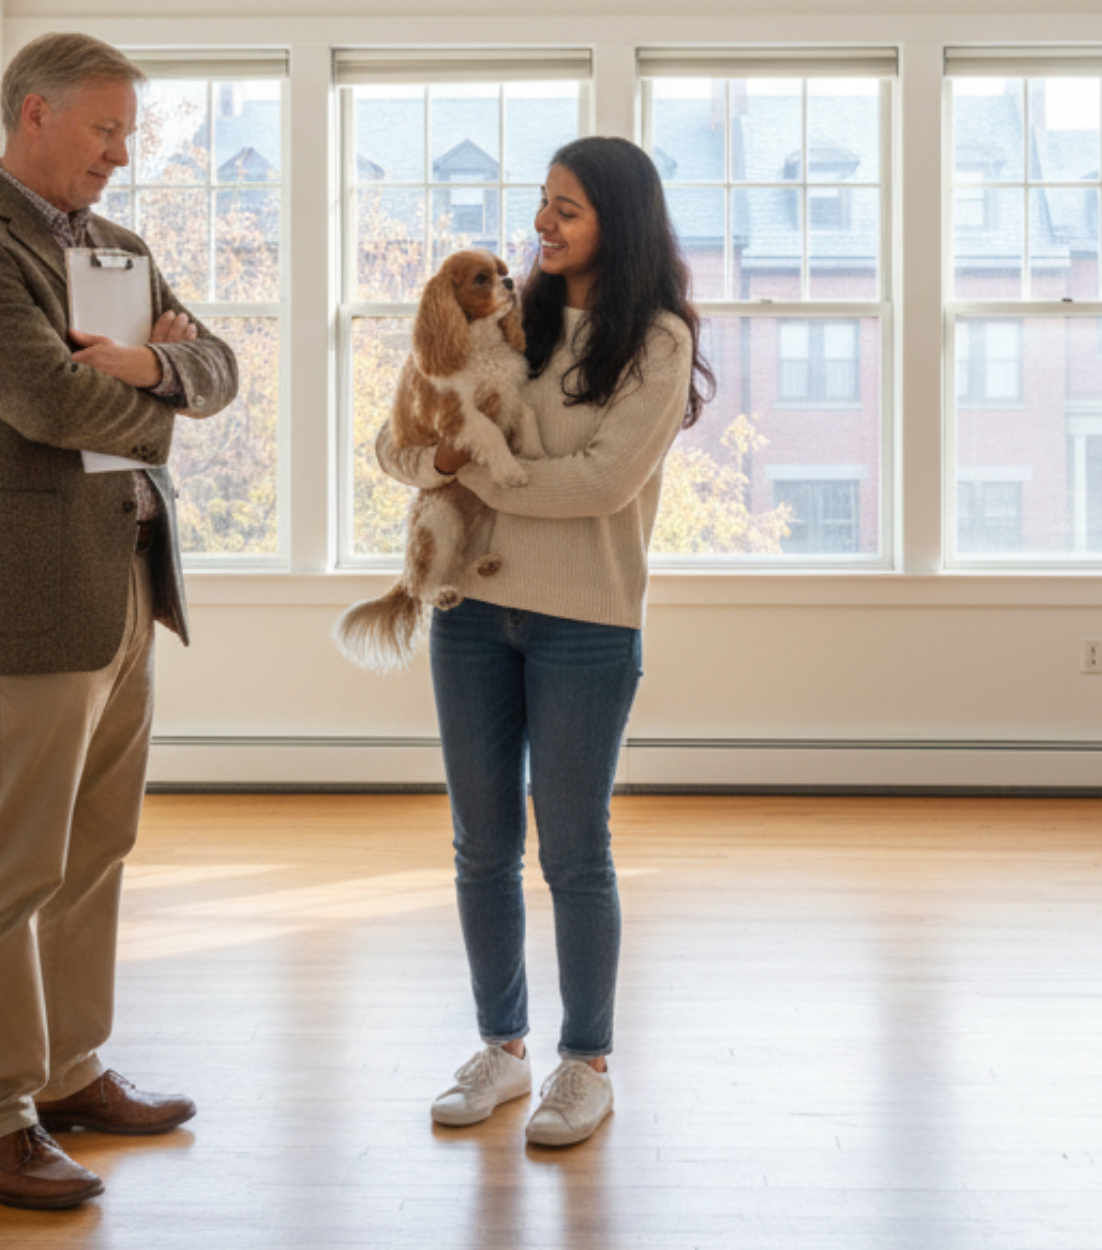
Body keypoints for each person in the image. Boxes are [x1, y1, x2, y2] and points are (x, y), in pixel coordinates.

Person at [0, 32, 238, 1210]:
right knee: (13, 861)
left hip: (128, 584)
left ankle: (67, 1070)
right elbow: (45, 400)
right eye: (104, 129)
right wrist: (160, 380)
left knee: (96, 847)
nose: (119, 153)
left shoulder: (122, 247)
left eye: (126, 134)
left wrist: (148, 367)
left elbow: (222, 370)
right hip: (28, 590)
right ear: (32, 113)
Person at [375, 135, 712, 1147]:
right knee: (480, 847)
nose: (541, 224)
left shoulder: (653, 340)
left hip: (586, 620)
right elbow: (394, 442)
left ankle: (585, 1061)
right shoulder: (495, 319)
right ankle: (501, 1047)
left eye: (564, 206)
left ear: (619, 216)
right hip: (467, 614)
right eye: (540, 203)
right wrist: (434, 451)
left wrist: (464, 470)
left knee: (573, 850)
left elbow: (600, 483)